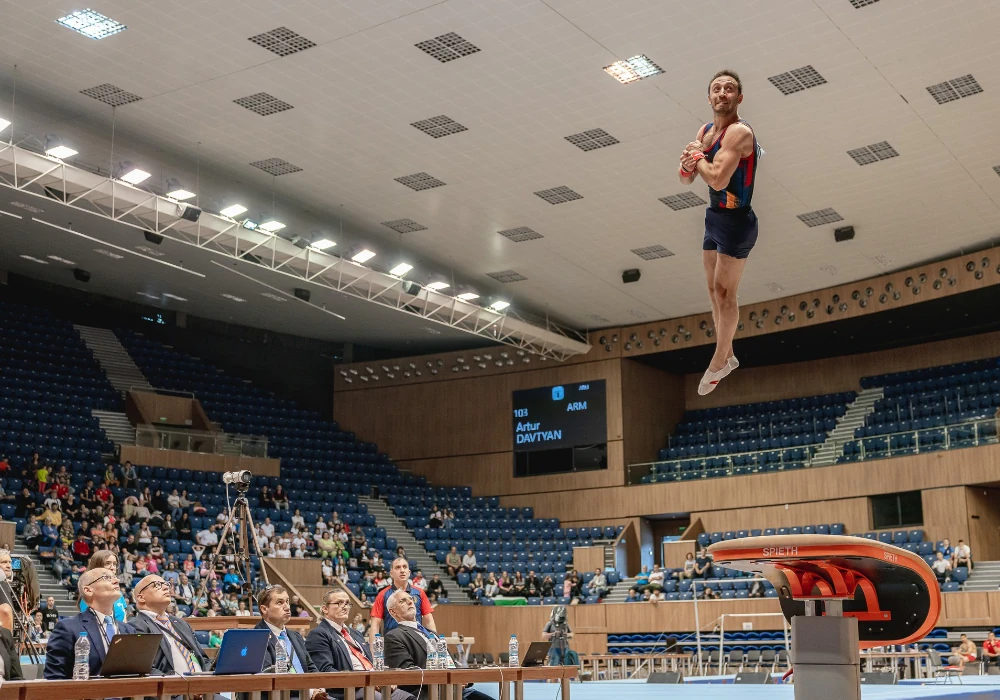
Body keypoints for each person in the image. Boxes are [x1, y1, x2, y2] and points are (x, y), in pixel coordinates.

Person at [679, 69, 762, 395]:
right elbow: (687, 178)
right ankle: (728, 356)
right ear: (709, 97)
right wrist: (688, 164)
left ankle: (718, 360)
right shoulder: (704, 131)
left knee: (726, 293)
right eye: (716, 89)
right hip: (714, 217)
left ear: (738, 98)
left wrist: (697, 158)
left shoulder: (739, 133)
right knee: (713, 291)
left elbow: (716, 179)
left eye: (729, 89)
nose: (722, 93)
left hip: (737, 221)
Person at [306, 589, 414, 700]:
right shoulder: (319, 634)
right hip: (349, 690)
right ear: (325, 609)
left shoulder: (356, 633)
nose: (345, 606)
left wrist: (384, 678)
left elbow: (371, 663)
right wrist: (366, 681)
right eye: (339, 603)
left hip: (375, 685)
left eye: (347, 603)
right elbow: (326, 671)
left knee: (409, 698)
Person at [383, 590, 489, 700]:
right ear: (393, 612)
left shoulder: (431, 633)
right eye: (402, 601)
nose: (410, 602)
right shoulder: (394, 636)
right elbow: (408, 675)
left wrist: (462, 678)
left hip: (458, 689)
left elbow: (450, 661)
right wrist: (448, 680)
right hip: (433, 693)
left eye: (411, 599)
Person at [44, 568, 138, 679]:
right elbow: (54, 679)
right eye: (107, 577)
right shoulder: (68, 628)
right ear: (88, 590)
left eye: (115, 577)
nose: (116, 580)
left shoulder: (129, 630)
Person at [129, 574, 212, 675]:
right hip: (171, 687)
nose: (166, 587)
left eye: (166, 584)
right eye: (157, 585)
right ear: (141, 597)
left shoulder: (182, 624)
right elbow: (144, 668)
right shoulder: (135, 626)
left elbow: (203, 659)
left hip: (202, 685)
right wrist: (172, 685)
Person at [255, 585, 320, 685]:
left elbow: (310, 666)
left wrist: (318, 687)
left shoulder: (295, 636)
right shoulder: (257, 637)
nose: (287, 607)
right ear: (264, 609)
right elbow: (268, 678)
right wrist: (309, 691)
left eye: (287, 601)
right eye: (280, 602)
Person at [368, 558, 436, 642]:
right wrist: (373, 652)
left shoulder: (419, 592)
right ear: (391, 574)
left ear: (409, 572)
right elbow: (375, 625)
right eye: (397, 567)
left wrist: (434, 644)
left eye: (405, 567)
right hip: (393, 644)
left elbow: (429, 621)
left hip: (417, 643)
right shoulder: (383, 595)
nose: (402, 570)